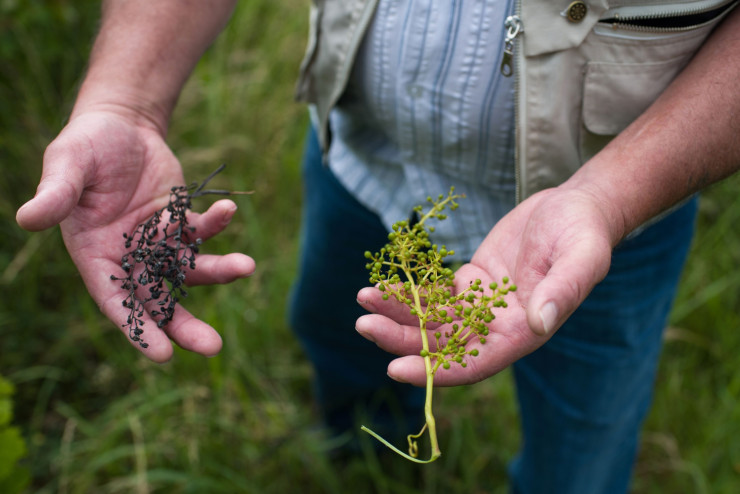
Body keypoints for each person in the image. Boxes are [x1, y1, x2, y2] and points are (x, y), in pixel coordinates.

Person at [15, 1, 740, 492]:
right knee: (338, 339)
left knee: (586, 437)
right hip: (360, 161)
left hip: (609, 210)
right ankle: (363, 465)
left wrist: (610, 198)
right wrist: (125, 100)